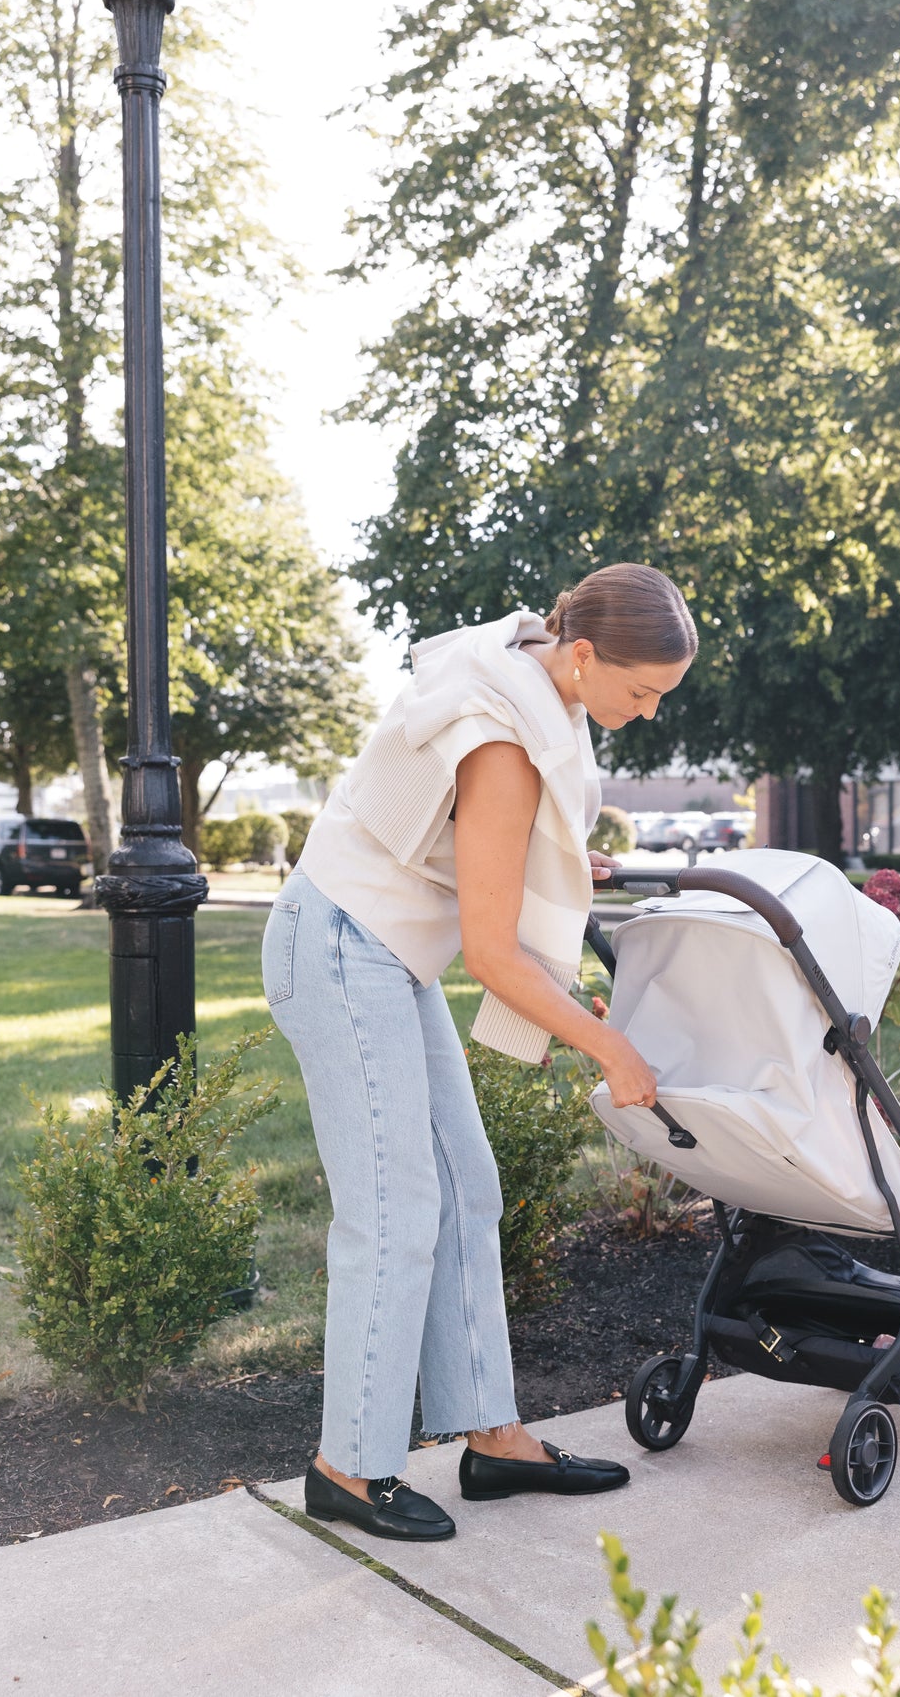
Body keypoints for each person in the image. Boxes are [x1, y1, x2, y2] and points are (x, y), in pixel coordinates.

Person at [261, 563, 697, 1542]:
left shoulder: (523, 660)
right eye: (639, 691)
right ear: (581, 653)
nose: (645, 712)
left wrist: (567, 993)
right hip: (338, 949)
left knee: (466, 1187)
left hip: (384, 954)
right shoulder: (499, 742)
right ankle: (349, 1467)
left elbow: (499, 912)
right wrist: (604, 1046)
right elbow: (493, 955)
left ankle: (492, 1441)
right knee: (394, 1212)